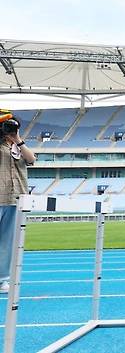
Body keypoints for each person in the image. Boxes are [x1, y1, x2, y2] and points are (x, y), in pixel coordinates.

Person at [0, 114, 36, 294]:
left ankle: (2, 280)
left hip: (15, 198)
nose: (10, 131)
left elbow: (31, 160)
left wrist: (18, 140)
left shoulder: (19, 147)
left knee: (6, 242)